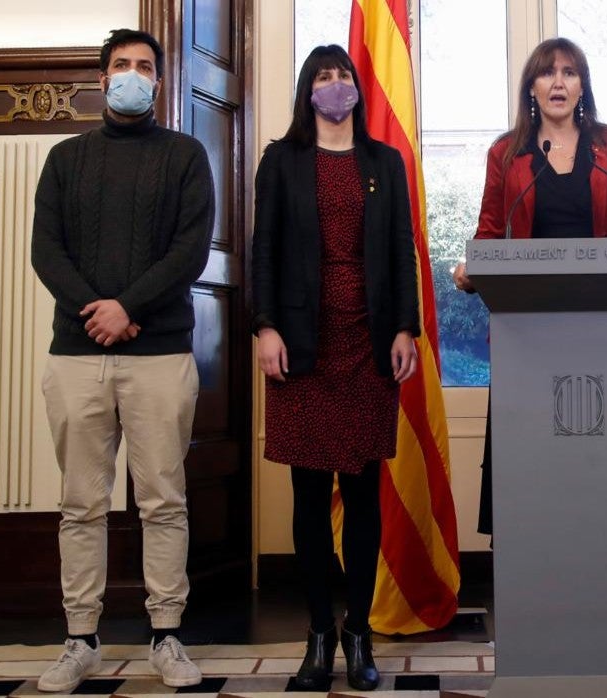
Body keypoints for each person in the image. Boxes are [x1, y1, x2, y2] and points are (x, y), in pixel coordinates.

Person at [30, 28, 213, 692]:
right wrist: (97, 311)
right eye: (121, 66)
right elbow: (46, 251)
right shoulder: (65, 158)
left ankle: (168, 635)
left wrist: (128, 306)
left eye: (144, 66)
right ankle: (81, 638)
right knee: (81, 503)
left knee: (164, 500)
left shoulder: (187, 155)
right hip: (77, 355)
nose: (132, 74)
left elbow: (190, 251)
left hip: (161, 354)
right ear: (103, 79)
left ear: (158, 83)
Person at [250, 45, 420, 691]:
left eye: (343, 75)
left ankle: (359, 633)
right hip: (300, 346)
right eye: (322, 76)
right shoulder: (281, 160)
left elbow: (402, 250)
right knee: (308, 497)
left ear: (355, 88)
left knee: (365, 495)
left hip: (369, 343)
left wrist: (406, 325)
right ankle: (318, 634)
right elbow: (262, 248)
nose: (334, 85)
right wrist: (264, 326)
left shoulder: (384, 162)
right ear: (307, 90)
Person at [451, 37, 607, 536]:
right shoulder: (507, 152)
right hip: (527, 333)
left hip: (604, 328)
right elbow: (492, 232)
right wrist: (472, 267)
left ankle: (606, 550)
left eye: (569, 72)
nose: (558, 82)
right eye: (547, 73)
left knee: (599, 461)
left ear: (583, 86)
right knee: (530, 460)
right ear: (531, 88)